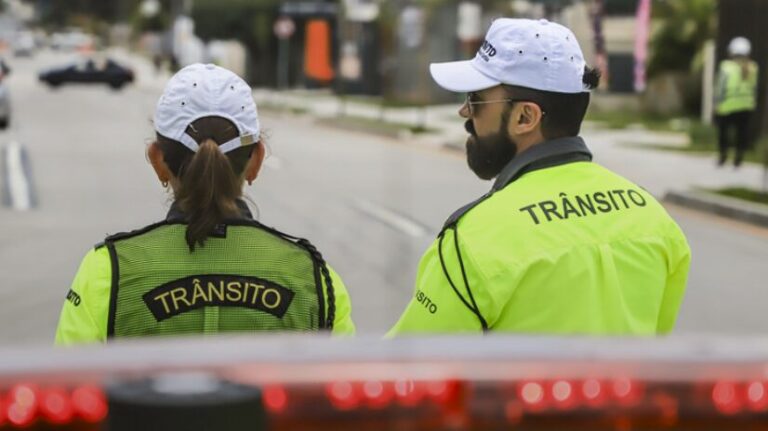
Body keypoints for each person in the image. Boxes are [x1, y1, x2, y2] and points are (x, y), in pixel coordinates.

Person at [389, 19, 691, 335]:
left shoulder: (473, 241)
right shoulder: (654, 219)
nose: (464, 112)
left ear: (525, 117)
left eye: (475, 99)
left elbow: (408, 361)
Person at [56, 64, 354, 344]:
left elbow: (71, 376)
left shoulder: (108, 272)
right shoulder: (314, 279)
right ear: (257, 160)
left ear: (158, 160)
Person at [715, 37, 759, 168]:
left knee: (724, 133)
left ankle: (723, 156)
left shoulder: (726, 66)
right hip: (746, 106)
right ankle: (738, 158)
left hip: (727, 105)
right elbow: (754, 88)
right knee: (742, 133)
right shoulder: (753, 67)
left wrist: (717, 103)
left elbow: (720, 87)